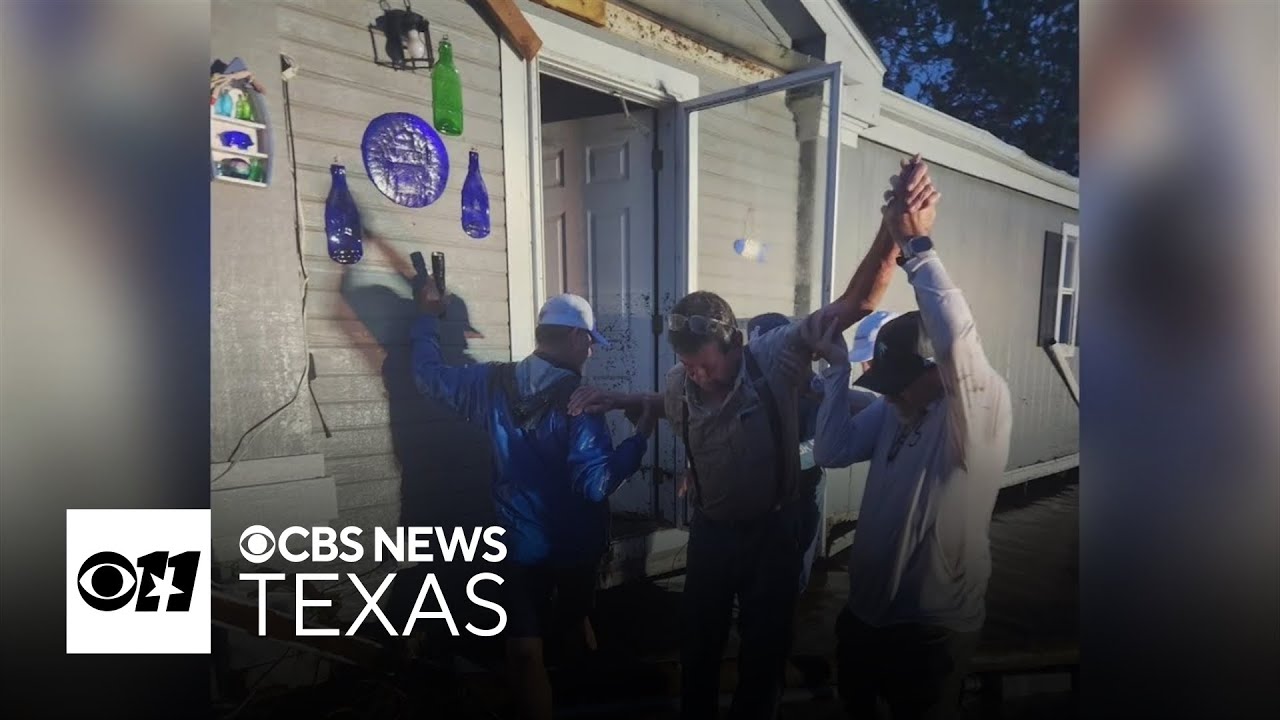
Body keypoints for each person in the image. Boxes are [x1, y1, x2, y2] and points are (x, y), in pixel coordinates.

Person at [567, 156, 938, 719]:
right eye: (686, 365)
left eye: (704, 365)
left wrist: (896, 233)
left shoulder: (777, 357)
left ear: (735, 343)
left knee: (764, 654)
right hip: (712, 534)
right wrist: (619, 399)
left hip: (772, 532)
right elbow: (668, 406)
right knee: (699, 648)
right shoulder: (679, 380)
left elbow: (853, 305)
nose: (695, 375)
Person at [804, 171, 1013, 720]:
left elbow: (957, 335)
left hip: (932, 630)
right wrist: (834, 372)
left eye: (899, 381)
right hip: (865, 615)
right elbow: (831, 451)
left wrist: (915, 247)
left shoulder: (977, 411)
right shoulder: (894, 409)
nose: (889, 393)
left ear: (939, 371)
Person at [411, 281, 657, 720]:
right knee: (576, 626)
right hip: (576, 548)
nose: (592, 353)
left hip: (518, 544)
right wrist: (639, 438)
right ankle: (587, 695)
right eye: (591, 343)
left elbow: (427, 376)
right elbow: (596, 485)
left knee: (524, 650)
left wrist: (427, 317)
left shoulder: (488, 382)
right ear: (577, 338)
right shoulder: (580, 402)